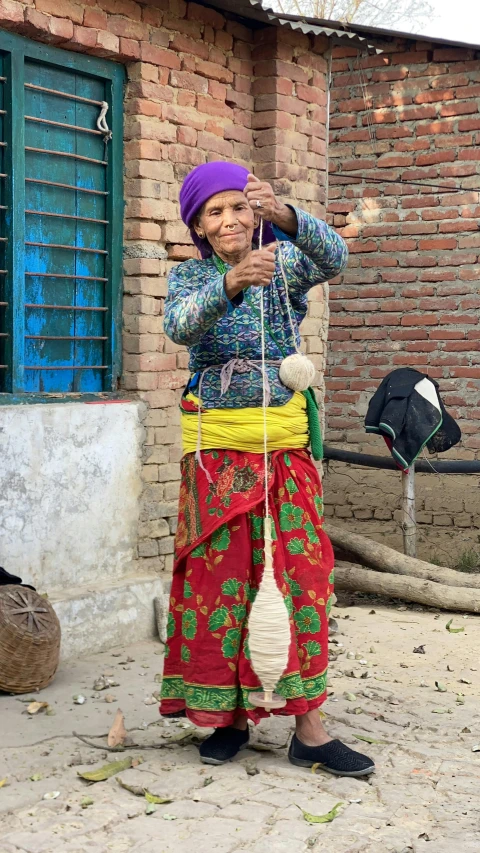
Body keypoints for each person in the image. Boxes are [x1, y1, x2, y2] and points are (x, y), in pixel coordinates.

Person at [160, 161, 375, 777]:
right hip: (216, 455)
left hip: (284, 447)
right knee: (221, 578)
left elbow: (335, 259)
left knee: (301, 575)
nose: (228, 220)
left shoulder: (285, 264)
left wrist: (284, 217)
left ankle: (308, 726)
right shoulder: (192, 278)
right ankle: (223, 715)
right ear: (199, 225)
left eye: (238, 207)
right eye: (214, 212)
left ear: (254, 210)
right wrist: (229, 282)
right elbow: (179, 327)